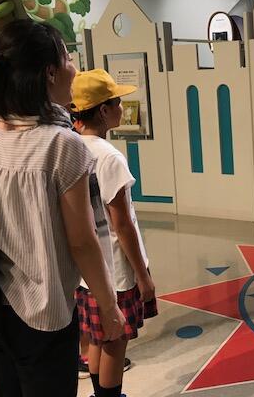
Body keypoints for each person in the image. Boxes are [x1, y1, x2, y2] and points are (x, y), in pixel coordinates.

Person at [0, 19, 125, 397]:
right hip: (43, 314)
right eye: (67, 57)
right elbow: (82, 242)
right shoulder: (62, 145)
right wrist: (108, 307)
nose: (73, 68)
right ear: (50, 72)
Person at [70, 68, 157, 397]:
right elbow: (122, 224)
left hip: (87, 270)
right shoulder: (109, 157)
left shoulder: (72, 147)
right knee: (116, 339)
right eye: (117, 101)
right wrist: (143, 276)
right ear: (104, 110)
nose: (122, 107)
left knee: (98, 337)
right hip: (116, 270)